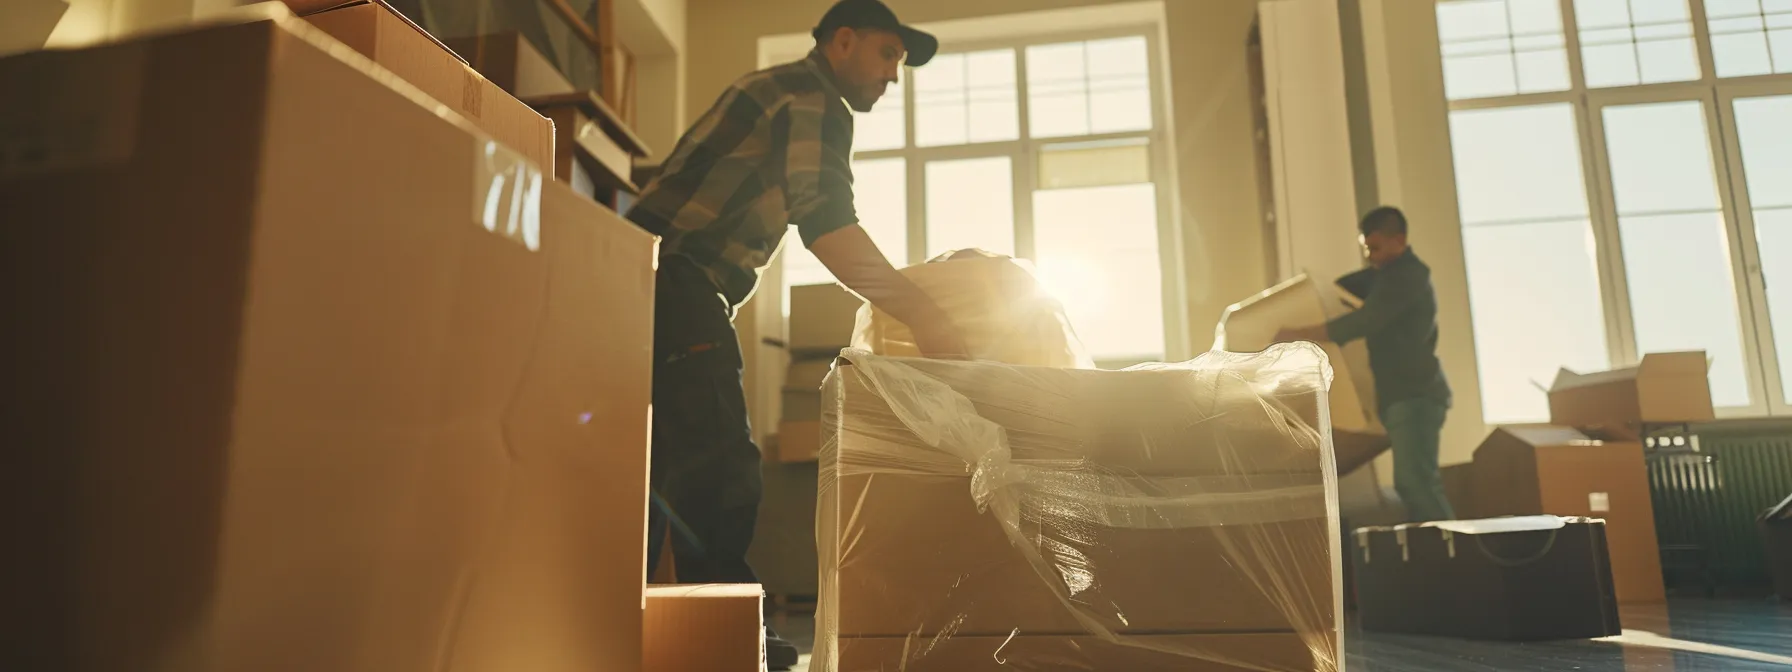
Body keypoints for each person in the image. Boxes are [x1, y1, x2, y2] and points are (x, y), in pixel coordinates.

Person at [624, 1, 965, 667]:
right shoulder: (812, 97)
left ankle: (669, 637)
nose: (894, 77)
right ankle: (726, 643)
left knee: (664, 475)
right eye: (887, 55)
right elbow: (827, 222)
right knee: (719, 465)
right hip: (676, 278)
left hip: (642, 280)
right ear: (842, 42)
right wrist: (925, 314)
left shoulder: (781, 90)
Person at [1274, 206, 1456, 523]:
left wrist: (1300, 335)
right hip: (1402, 396)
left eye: (1376, 248)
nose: (1370, 256)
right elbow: (1341, 288)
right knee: (1414, 484)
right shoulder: (1384, 276)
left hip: (1416, 394)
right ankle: (1442, 553)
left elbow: (1367, 320)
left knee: (1416, 484)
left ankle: (1454, 556)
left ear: (1399, 240)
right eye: (1366, 249)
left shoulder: (1408, 276)